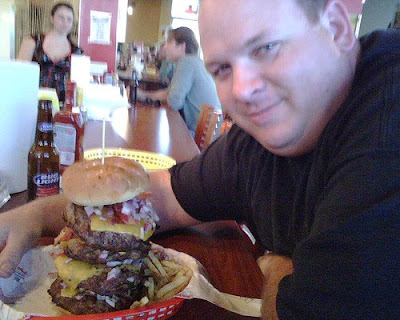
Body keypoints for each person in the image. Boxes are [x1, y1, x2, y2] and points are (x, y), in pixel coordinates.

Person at [1, 0, 399, 319]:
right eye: (222, 68)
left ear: (337, 28)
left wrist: (278, 269)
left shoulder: (385, 127)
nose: (242, 90)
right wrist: (29, 217)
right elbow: (161, 198)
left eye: (266, 47)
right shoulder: (257, 143)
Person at [138, 27, 221, 135]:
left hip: (197, 136)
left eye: (169, 42)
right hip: (204, 133)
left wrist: (146, 95)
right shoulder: (194, 61)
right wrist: (145, 95)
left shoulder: (187, 63)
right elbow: (170, 92)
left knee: (149, 131)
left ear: (182, 46)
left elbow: (174, 102)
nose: (165, 47)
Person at [17, 2, 83, 105]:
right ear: (52, 18)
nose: (65, 22)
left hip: (61, 106)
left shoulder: (76, 51)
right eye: (61, 17)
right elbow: (19, 74)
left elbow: (79, 84)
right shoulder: (33, 41)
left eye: (69, 19)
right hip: (32, 102)